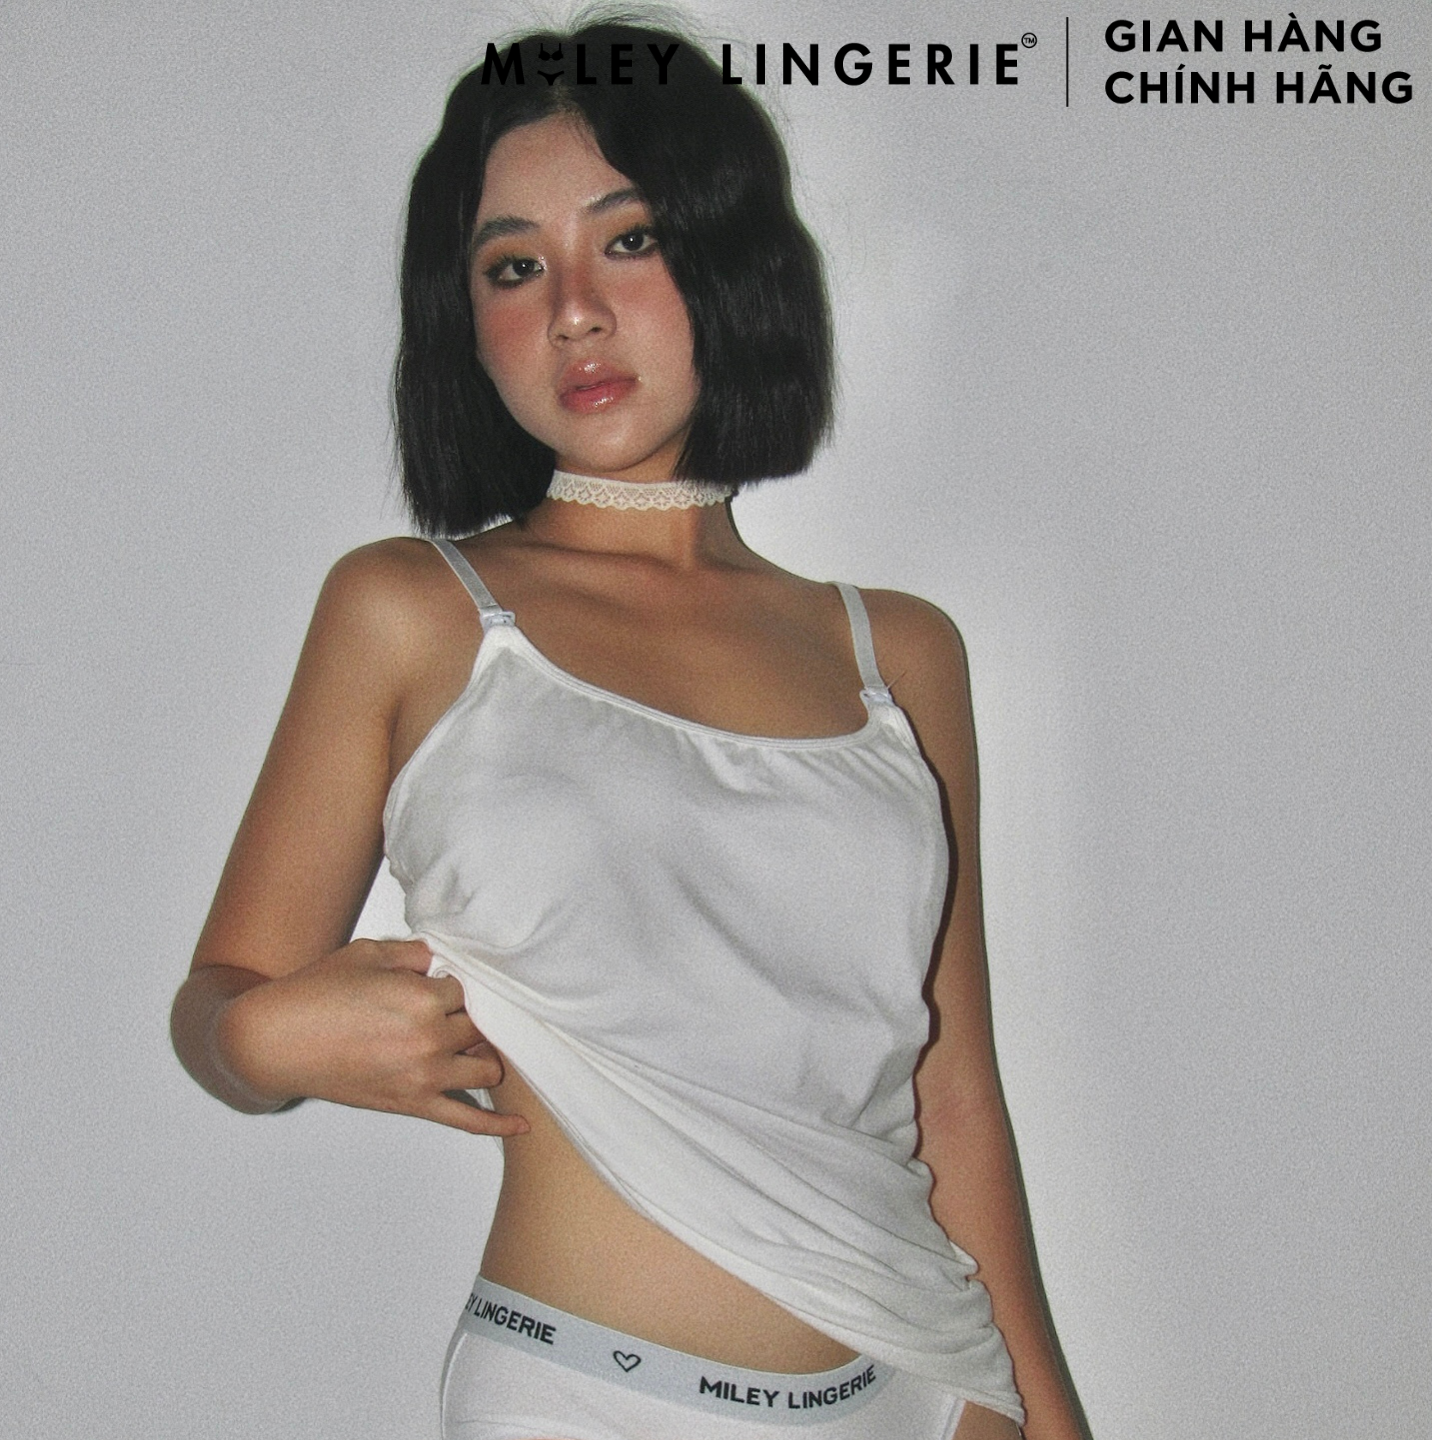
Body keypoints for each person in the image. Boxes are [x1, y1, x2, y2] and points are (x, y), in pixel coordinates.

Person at [171, 17, 1088, 1440]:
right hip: (585, 1401)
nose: (575, 313)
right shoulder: (412, 611)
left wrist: (1034, 1405)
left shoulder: (898, 652)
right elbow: (220, 1000)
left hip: (918, 1386)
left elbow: (950, 1083)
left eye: (631, 240)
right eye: (513, 267)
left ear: (727, 259)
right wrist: (266, 1041)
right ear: (464, 318)